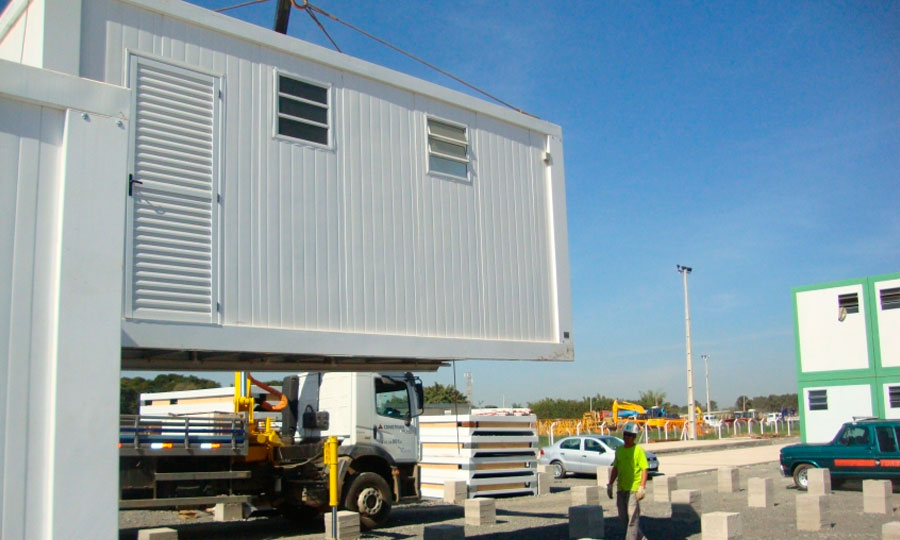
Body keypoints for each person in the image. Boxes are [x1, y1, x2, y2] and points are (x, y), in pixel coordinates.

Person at [607, 422, 649, 540]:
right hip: (621, 488)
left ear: (634, 437)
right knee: (623, 518)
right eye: (625, 435)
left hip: (633, 489)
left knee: (632, 517)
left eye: (629, 435)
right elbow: (616, 468)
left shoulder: (638, 451)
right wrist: (610, 484)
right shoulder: (619, 451)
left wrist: (642, 486)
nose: (626, 437)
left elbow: (644, 469)